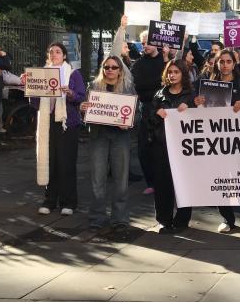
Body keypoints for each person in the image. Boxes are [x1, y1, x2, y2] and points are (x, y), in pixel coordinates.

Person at [194, 49, 240, 232]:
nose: (225, 65)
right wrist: (198, 101)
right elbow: (200, 111)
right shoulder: (208, 84)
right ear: (216, 63)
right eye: (221, 61)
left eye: (228, 61)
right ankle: (227, 219)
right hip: (217, 140)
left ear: (234, 64)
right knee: (221, 179)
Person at [25, 42, 87, 216]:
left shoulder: (73, 74)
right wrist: (29, 88)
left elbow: (81, 97)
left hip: (67, 122)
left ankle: (69, 202)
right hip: (47, 121)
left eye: (58, 52)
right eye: (51, 52)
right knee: (49, 160)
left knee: (66, 163)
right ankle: (50, 200)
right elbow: (35, 103)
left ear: (64, 56)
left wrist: (70, 93)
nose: (54, 54)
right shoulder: (41, 74)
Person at [81, 54, 135, 233]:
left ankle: (120, 218)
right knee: (98, 178)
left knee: (121, 179)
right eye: (106, 67)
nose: (110, 70)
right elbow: (87, 116)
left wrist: (128, 123)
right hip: (99, 136)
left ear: (120, 71)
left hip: (120, 137)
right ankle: (97, 217)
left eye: (113, 67)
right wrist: (83, 110)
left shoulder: (128, 88)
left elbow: (137, 115)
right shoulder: (94, 87)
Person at [147, 59, 194, 234]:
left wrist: (190, 107)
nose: (172, 75)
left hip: (185, 147)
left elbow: (201, 116)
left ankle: (182, 219)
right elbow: (149, 122)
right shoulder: (159, 95)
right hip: (162, 145)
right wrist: (156, 114)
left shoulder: (190, 95)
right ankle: (164, 220)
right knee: (162, 184)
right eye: (170, 72)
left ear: (183, 74)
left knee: (184, 182)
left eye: (176, 72)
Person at [130, 24, 166, 195]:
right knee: (143, 147)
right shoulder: (138, 64)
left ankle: (162, 181)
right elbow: (136, 86)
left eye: (148, 43)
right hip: (146, 110)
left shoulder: (164, 62)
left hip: (163, 109)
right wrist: (156, 86)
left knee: (161, 146)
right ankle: (150, 181)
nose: (145, 46)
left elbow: (167, 84)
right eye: (143, 43)